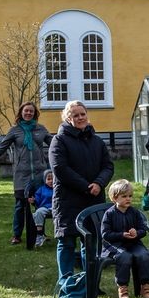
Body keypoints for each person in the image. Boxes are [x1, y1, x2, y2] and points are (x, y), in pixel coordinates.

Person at [49, 100, 114, 280]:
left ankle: (90, 283)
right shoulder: (59, 140)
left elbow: (108, 166)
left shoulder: (97, 141)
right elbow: (60, 168)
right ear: (68, 118)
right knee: (67, 242)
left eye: (82, 114)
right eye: (75, 115)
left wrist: (99, 183)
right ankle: (66, 285)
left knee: (90, 243)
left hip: (93, 200)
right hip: (67, 200)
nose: (80, 118)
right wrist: (86, 186)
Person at [0, 101, 51, 245]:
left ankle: (40, 233)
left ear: (35, 114)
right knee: (20, 205)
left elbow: (54, 143)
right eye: (26, 111)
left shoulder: (41, 129)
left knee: (40, 203)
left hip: (40, 172)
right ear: (21, 113)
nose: (28, 113)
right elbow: (1, 147)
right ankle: (17, 235)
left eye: (31, 111)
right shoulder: (15, 130)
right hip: (22, 174)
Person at [100, 179, 149, 298]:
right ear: (115, 198)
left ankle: (145, 286)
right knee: (124, 257)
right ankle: (123, 288)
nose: (128, 199)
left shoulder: (134, 212)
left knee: (145, 255)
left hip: (133, 243)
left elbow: (143, 230)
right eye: (124, 196)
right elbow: (105, 234)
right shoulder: (109, 214)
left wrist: (137, 233)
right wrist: (121, 235)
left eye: (130, 196)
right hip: (115, 245)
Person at [29, 169, 55, 247]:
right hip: (45, 208)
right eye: (49, 179)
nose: (51, 181)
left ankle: (61, 234)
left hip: (56, 208)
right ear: (45, 180)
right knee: (38, 212)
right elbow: (37, 202)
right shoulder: (41, 189)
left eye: (53, 179)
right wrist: (33, 201)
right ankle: (40, 234)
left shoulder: (58, 189)